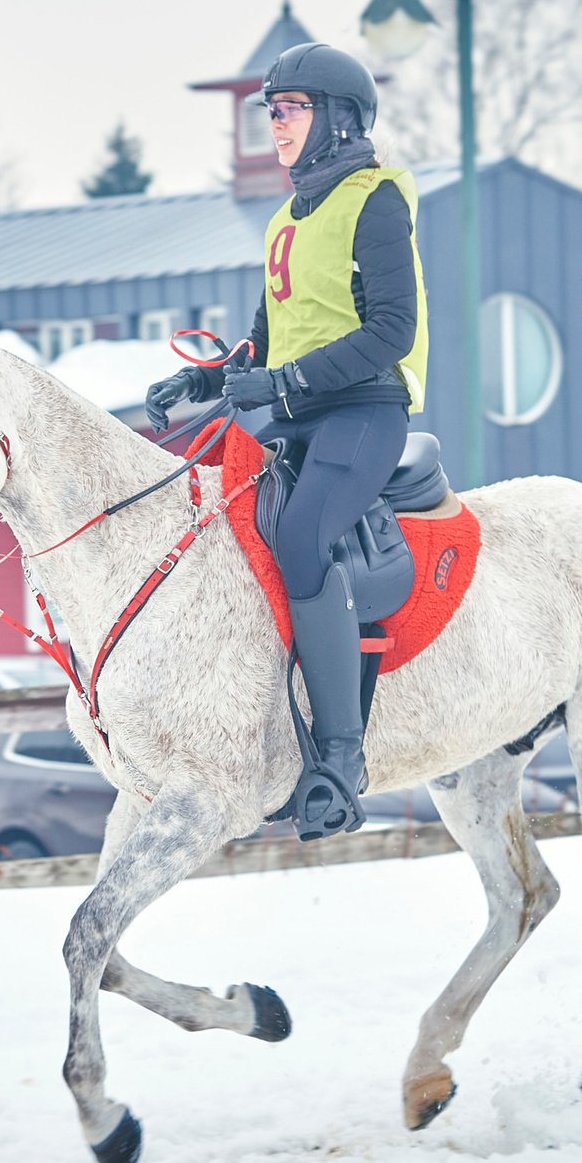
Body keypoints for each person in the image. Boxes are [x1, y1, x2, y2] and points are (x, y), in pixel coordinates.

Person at [145, 42, 428, 837]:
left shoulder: (375, 200)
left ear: (337, 119)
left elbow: (392, 331)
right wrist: (209, 379)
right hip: (302, 411)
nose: (275, 124)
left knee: (303, 535)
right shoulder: (285, 218)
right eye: (270, 111)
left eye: (289, 109)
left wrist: (285, 385)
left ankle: (340, 760)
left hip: (366, 407)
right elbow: (271, 343)